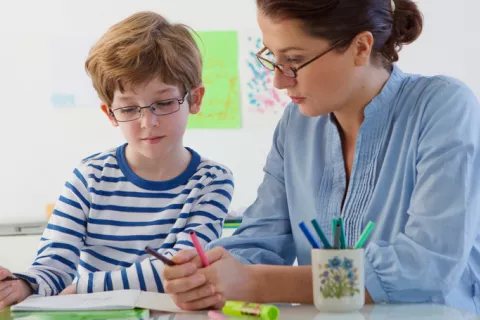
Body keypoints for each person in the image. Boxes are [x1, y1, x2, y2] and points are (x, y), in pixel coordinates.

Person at [161, 0, 480, 314]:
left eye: (294, 60)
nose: (279, 80)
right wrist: (206, 273)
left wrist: (256, 283)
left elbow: (426, 268)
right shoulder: (296, 124)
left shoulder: (444, 106)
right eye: (272, 57)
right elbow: (261, 240)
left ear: (360, 48)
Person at [0, 11, 234, 309]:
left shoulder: (212, 180)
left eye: (163, 103)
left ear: (195, 99)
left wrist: (82, 288)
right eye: (128, 108)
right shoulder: (90, 176)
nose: (148, 122)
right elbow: (53, 263)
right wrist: (21, 285)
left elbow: (182, 269)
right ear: (110, 114)